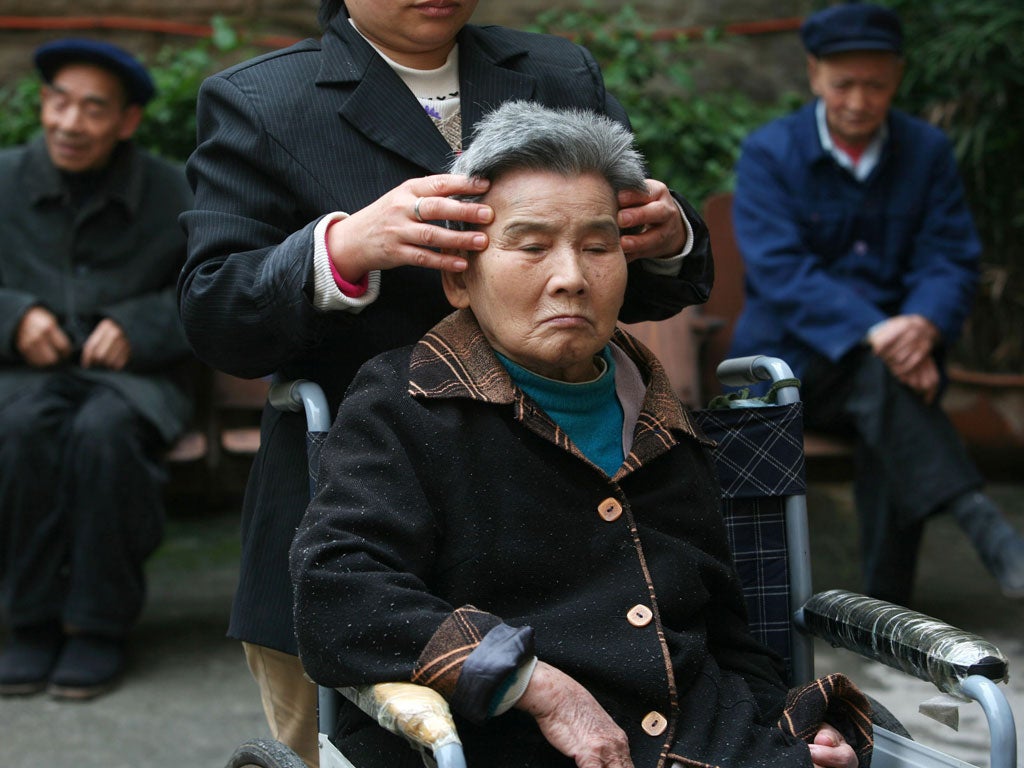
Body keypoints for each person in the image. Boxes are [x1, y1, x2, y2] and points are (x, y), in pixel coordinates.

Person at [179, 2, 713, 763]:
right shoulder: (265, 100)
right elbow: (215, 313)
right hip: (365, 504)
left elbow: (629, 270)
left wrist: (669, 234)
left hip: (569, 513)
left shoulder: (560, 73)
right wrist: (344, 248)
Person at [290, 101, 871, 768]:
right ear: (459, 278)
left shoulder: (664, 423)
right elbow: (337, 593)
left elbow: (725, 640)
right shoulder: (406, 406)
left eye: (598, 247)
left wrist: (791, 728)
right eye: (532, 246)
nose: (571, 277)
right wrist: (530, 682)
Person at [728, 3, 1024, 606]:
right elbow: (782, 272)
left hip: (888, 368)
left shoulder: (927, 151)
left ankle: (889, 601)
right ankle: (971, 532)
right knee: (888, 381)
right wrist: (880, 330)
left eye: (876, 84)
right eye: (844, 84)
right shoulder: (769, 152)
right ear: (814, 75)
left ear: (899, 78)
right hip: (791, 369)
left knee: (884, 387)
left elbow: (949, 257)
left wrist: (920, 323)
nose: (859, 100)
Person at [0, 38, 194, 700]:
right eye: (57, 102)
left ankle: (96, 626)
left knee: (103, 434)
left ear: (127, 121)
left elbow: (210, 289)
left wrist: (137, 326)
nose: (68, 123)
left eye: (91, 108)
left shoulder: (173, 189)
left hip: (131, 382)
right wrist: (13, 315)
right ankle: (28, 620)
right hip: (21, 379)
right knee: (22, 432)